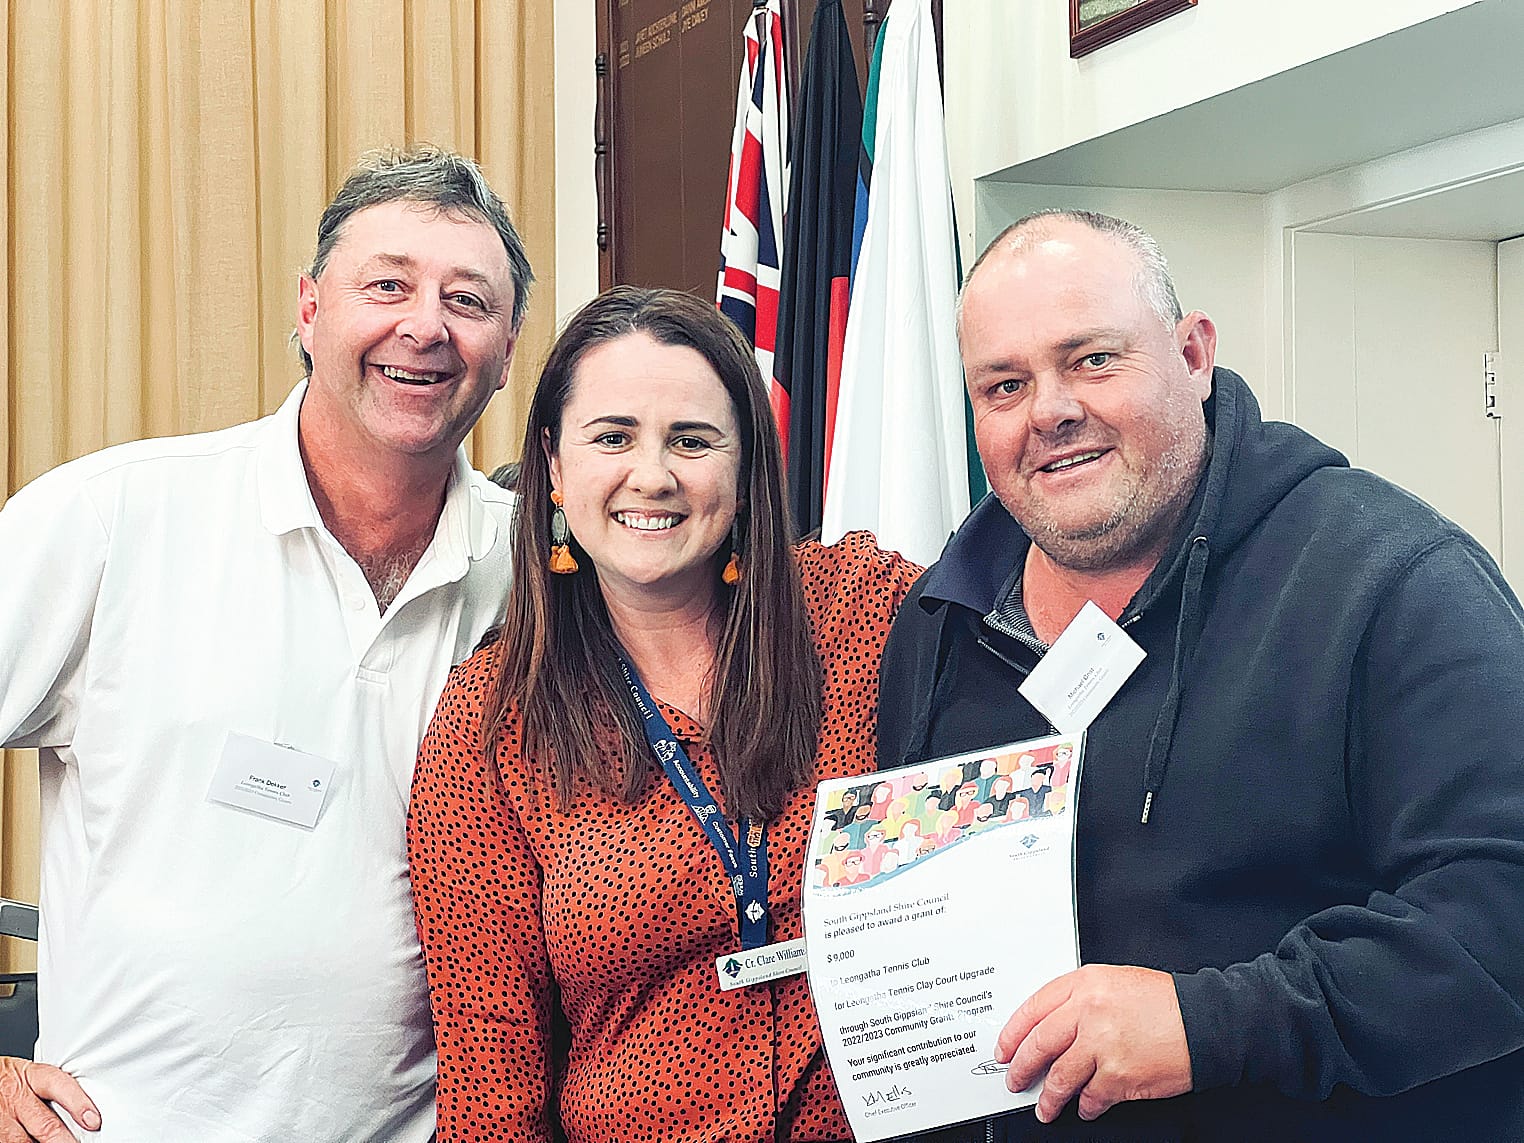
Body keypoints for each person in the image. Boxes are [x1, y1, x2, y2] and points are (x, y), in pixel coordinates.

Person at [877, 209, 1524, 1140]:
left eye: (1092, 358)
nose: (1050, 409)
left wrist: (1206, 1024)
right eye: (1004, 384)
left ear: (1192, 353)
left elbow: (1502, 920)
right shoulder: (943, 624)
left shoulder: (1391, 580)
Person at [0, 146, 531, 1141]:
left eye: (469, 300)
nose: (425, 325)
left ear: (506, 352)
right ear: (309, 308)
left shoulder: (534, 574)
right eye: (388, 284)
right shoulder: (116, 520)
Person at [406, 286, 922, 1142]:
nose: (653, 474)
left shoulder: (859, 613)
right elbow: (489, 1088)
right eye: (613, 437)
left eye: (691, 440)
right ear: (557, 469)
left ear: (746, 467)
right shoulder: (490, 728)